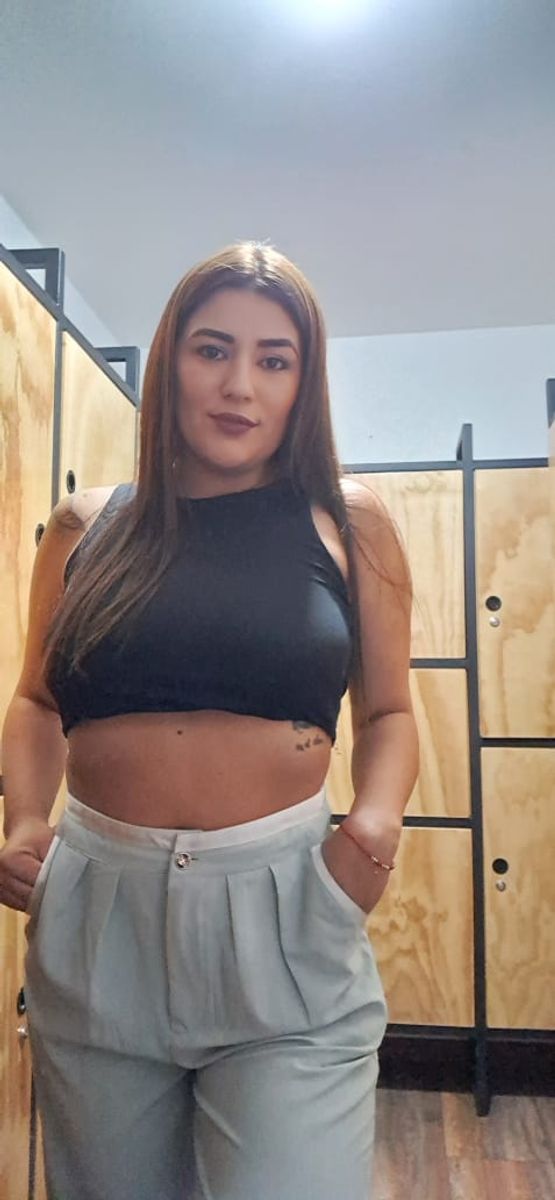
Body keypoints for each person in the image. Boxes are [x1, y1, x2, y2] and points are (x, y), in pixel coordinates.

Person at [1, 241, 419, 1200]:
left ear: (303, 383)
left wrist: (374, 826)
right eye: (212, 349)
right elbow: (36, 700)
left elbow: (391, 710)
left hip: (287, 909)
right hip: (97, 913)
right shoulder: (87, 527)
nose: (239, 385)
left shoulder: (349, 524)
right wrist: (25, 821)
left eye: (274, 359)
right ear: (169, 362)